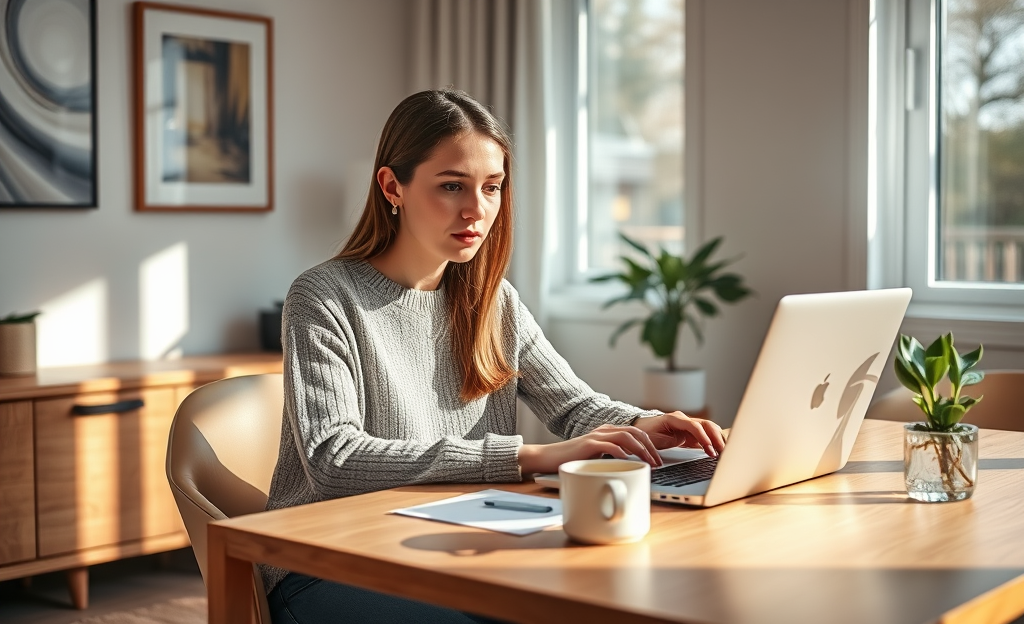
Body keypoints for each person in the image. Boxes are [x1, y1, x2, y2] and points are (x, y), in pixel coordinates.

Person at [263, 89, 726, 623]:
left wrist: (643, 424)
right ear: (392, 187)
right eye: (451, 186)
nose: (477, 210)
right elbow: (333, 458)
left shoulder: (492, 298)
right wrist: (527, 456)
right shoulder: (324, 297)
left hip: (449, 540)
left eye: (492, 187)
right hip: (326, 561)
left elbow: (573, 406)